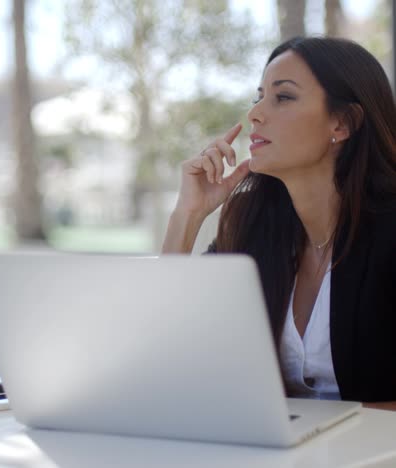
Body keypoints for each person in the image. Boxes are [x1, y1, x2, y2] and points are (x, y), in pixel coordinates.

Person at [162, 36, 396, 410]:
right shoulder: (251, 225)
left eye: (282, 97)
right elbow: (168, 345)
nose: (255, 114)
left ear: (343, 123)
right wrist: (186, 216)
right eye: (259, 97)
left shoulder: (388, 232)